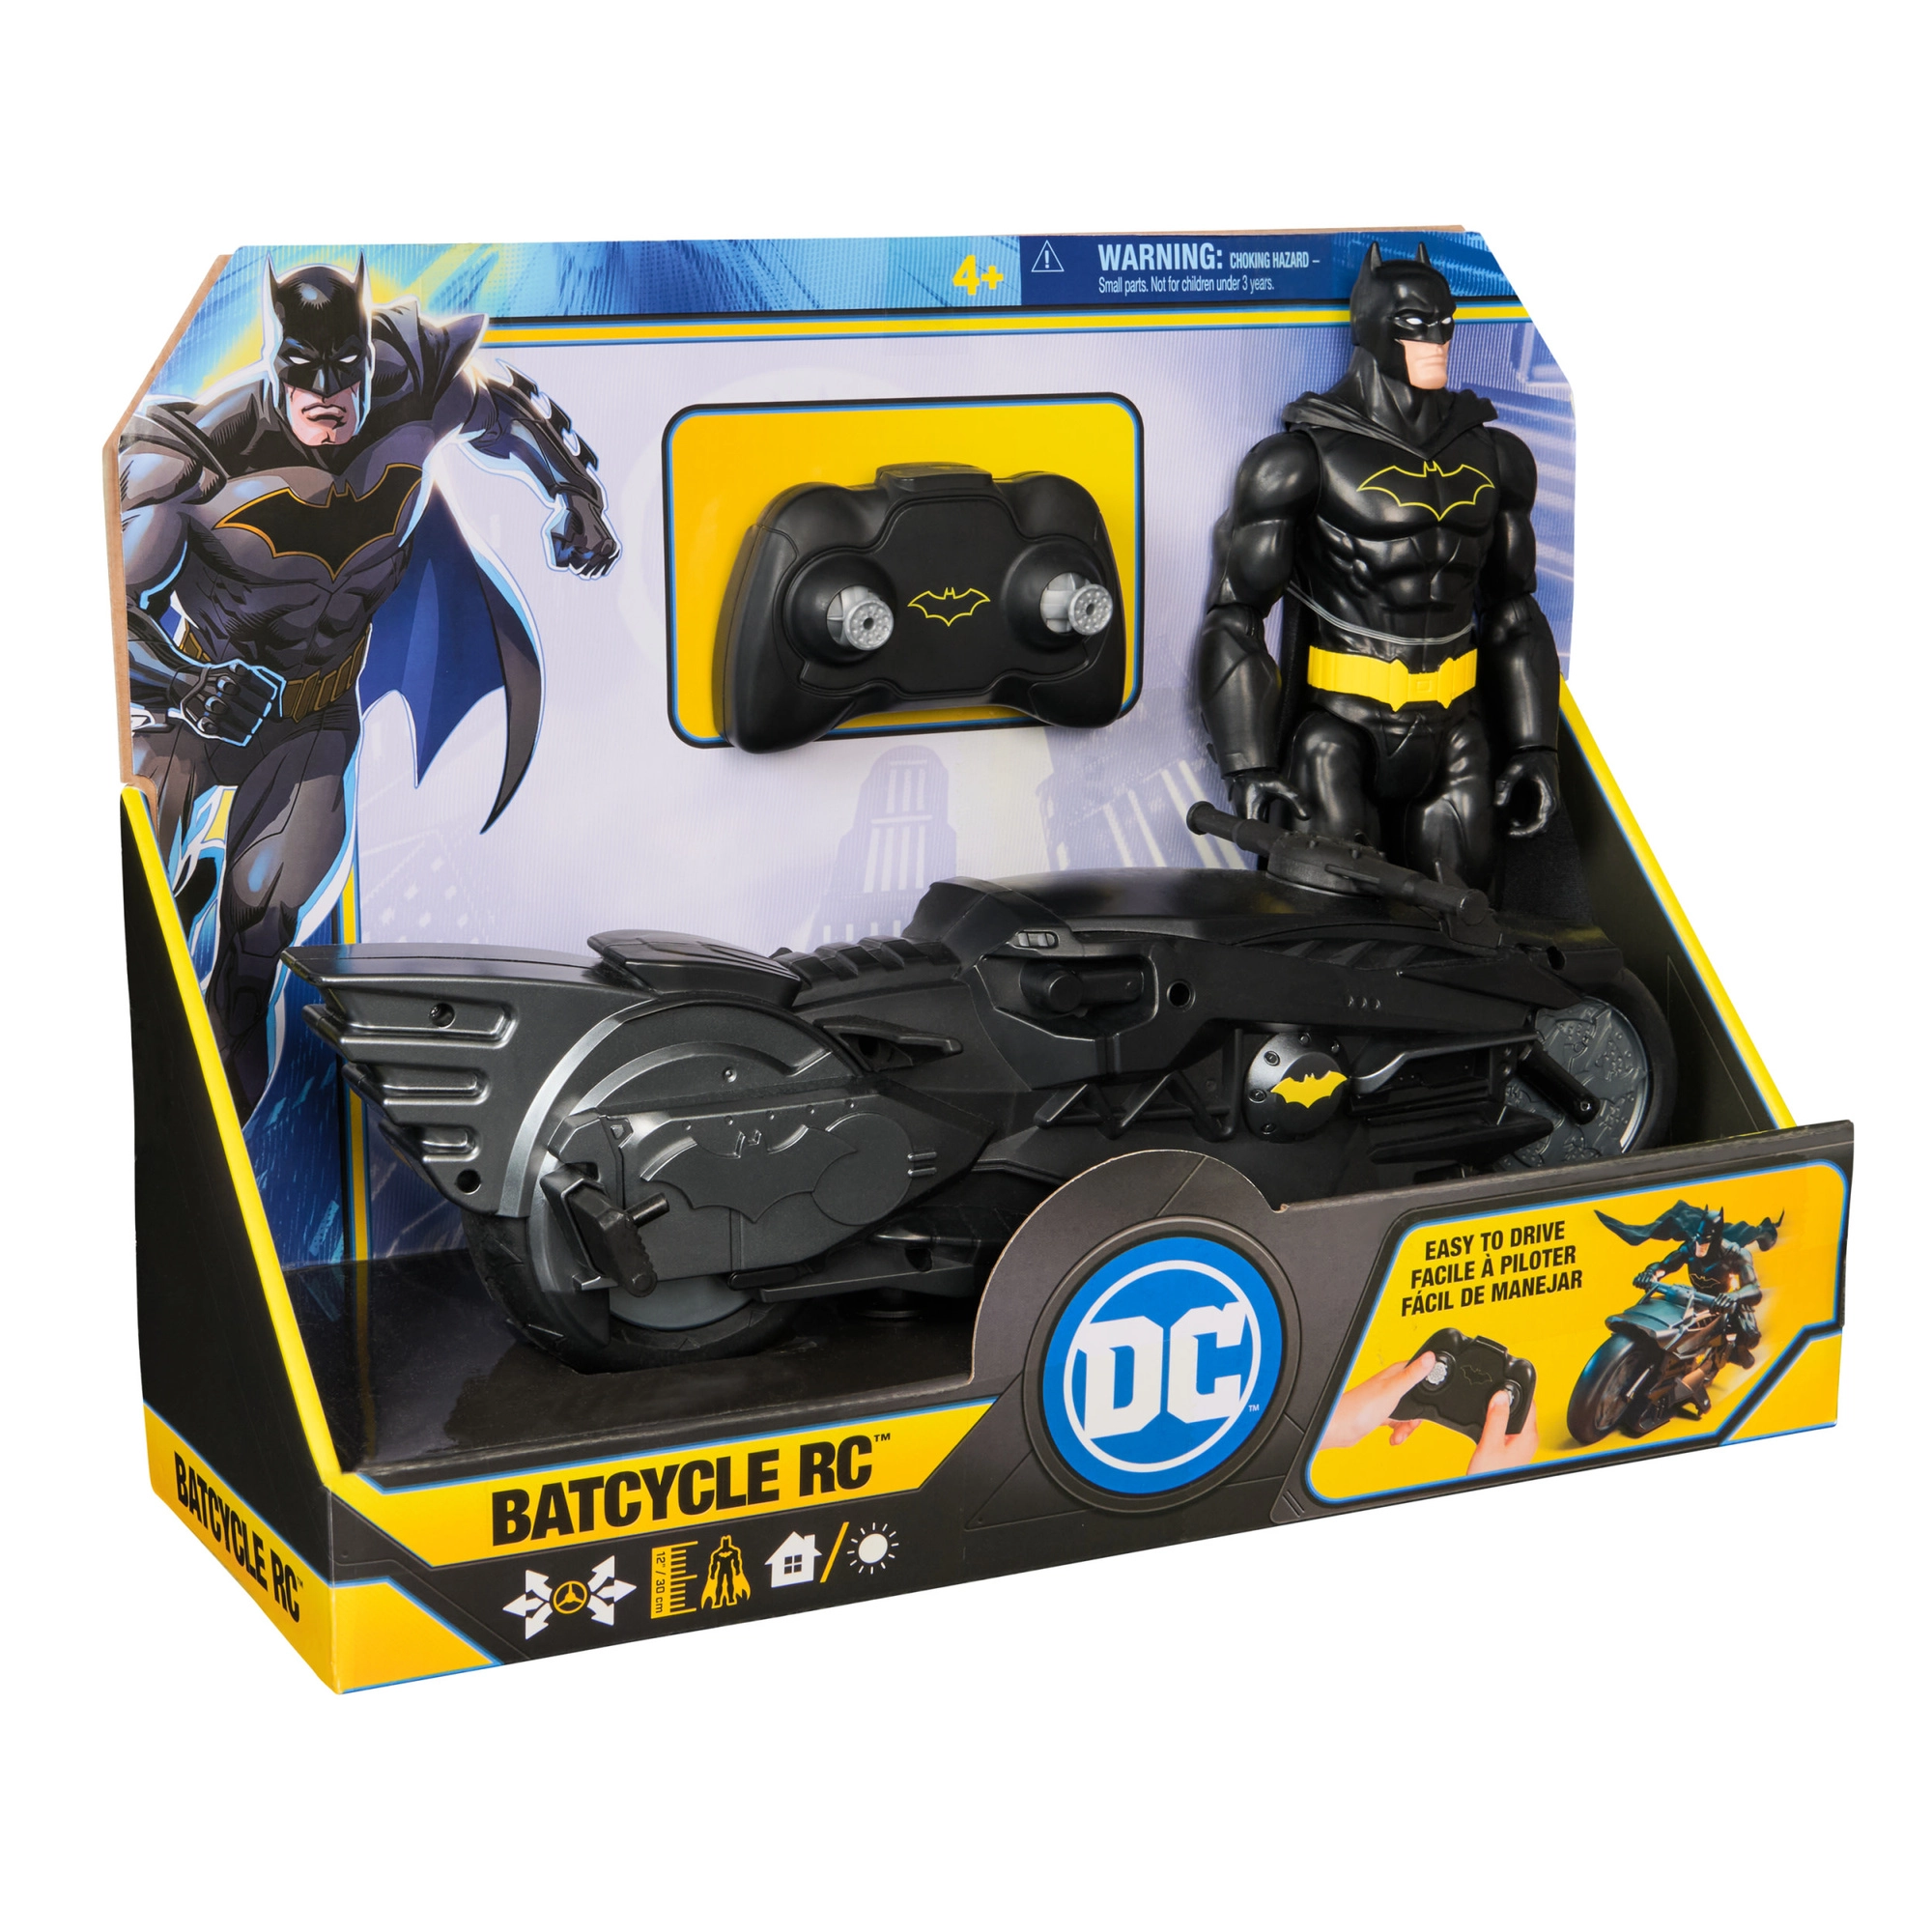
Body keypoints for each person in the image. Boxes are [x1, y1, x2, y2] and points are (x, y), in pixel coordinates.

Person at [121, 258, 619, 1121]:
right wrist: (187, 682)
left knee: (259, 941)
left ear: (364, 360)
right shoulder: (199, 460)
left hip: (312, 722)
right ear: (275, 367)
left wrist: (572, 491)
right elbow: (103, 613)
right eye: (304, 376)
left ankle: (211, 1140)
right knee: (131, 903)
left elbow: (506, 408)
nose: (327, 396)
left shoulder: (414, 397)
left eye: (342, 373)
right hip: (189, 721)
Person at [1195, 242, 1562, 890]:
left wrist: (1536, 744)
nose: (1436, 338)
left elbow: (1514, 610)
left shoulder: (1497, 457)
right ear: (1369, 326)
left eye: (1444, 322)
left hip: (1457, 732)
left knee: (1467, 922)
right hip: (1341, 729)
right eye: (1415, 323)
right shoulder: (1299, 460)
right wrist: (1246, 763)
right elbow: (1236, 614)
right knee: (1332, 924)